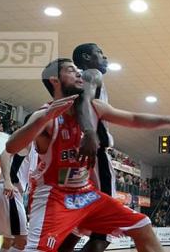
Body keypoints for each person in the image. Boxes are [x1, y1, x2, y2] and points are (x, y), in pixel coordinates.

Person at [4, 58, 170, 252]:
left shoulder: (94, 108)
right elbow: (11, 146)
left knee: (142, 225)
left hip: (86, 194)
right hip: (53, 196)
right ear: (54, 81)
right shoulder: (45, 116)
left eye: (78, 70)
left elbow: (134, 119)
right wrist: (44, 118)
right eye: (70, 70)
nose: (78, 73)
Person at [59, 43, 115, 252]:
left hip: (77, 157)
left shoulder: (78, 80)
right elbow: (84, 100)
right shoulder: (92, 74)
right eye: (99, 53)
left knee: (77, 229)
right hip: (95, 154)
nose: (105, 56)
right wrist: (90, 133)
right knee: (104, 231)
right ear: (86, 57)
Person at [0, 140, 37, 252]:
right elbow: (4, 155)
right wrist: (7, 180)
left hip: (9, 192)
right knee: (22, 242)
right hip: (10, 191)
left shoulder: (40, 152)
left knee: (8, 241)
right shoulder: (28, 142)